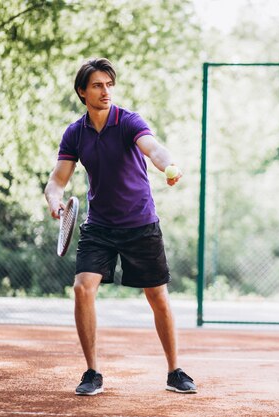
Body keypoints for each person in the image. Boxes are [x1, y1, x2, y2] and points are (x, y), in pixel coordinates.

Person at [44, 58, 196, 396]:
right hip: (98, 226)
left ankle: (175, 370)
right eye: (98, 85)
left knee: (157, 296)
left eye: (110, 84)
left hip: (140, 223)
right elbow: (57, 181)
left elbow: (152, 148)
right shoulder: (75, 133)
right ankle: (92, 373)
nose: (106, 91)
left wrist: (168, 164)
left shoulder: (128, 121)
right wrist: (55, 201)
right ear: (82, 92)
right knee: (82, 288)